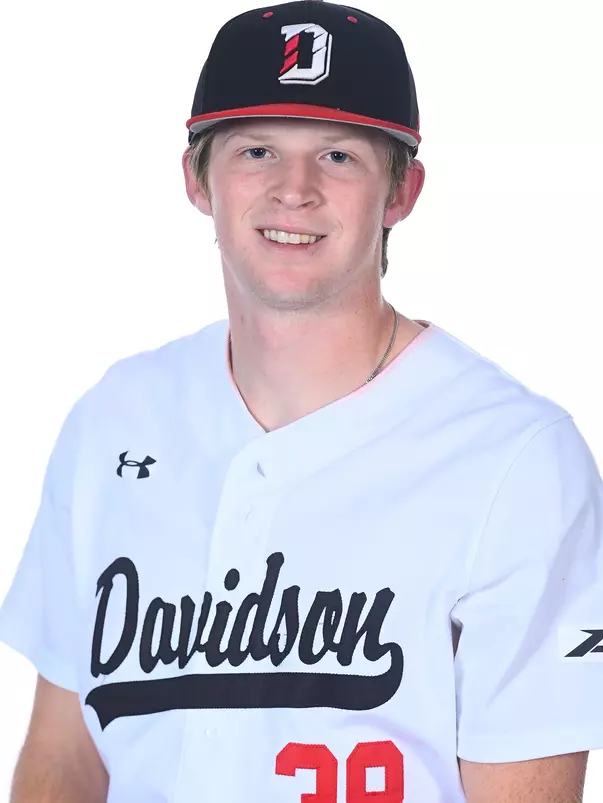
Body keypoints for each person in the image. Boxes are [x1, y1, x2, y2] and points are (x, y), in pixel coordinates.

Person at [1, 1, 602, 801]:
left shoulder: (515, 456)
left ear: (401, 192)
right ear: (196, 180)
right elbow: (62, 758)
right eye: (256, 150)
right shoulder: (115, 418)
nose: (295, 189)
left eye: (339, 156)